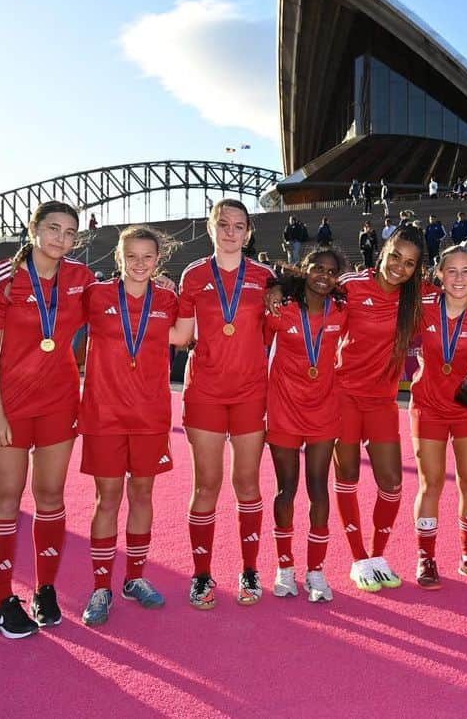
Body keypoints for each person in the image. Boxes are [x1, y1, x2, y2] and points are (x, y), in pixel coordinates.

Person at [269, 226, 427, 592]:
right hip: (343, 396)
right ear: (382, 251)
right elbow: (311, 284)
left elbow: (459, 295)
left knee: (391, 482)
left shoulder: (418, 299)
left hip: (383, 401)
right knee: (349, 477)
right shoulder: (352, 285)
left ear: (416, 269)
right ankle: (358, 558)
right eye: (394, 257)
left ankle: (376, 555)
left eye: (409, 264)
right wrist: (276, 288)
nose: (398, 268)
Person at [0, 201, 94, 638]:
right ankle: (0, 602)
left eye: (69, 232)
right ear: (33, 228)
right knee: (6, 499)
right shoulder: (1, 277)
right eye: (52, 228)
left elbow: (119, 309)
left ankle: (45, 589)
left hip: (59, 404)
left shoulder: (81, 279)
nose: (60, 238)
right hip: (7, 406)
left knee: (50, 496)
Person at [171, 199, 276, 609]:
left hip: (251, 392)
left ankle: (249, 570)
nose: (231, 232)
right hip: (206, 393)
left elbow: (277, 333)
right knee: (207, 485)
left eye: (239, 226)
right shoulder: (194, 275)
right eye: (223, 224)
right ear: (210, 227)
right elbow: (181, 335)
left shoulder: (266, 277)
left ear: (248, 232)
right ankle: (201, 575)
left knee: (247, 484)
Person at [77, 226, 179, 626]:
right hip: (104, 413)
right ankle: (101, 587)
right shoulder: (96, 296)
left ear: (158, 260)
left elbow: (187, 335)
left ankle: (134, 579)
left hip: (150, 415)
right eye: (131, 256)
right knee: (107, 499)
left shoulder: (169, 299)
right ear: (118, 259)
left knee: (142, 495)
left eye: (147, 257)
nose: (139, 264)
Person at [411, 246, 467, 589]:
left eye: (466, 271)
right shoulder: (423, 307)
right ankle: (425, 558)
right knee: (430, 484)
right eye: (452, 271)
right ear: (439, 274)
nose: (459, 278)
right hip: (428, 406)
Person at [264, 249, 349, 603]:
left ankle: (315, 571)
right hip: (283, 408)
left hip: (323, 410)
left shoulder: (342, 311)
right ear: (305, 270)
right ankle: (285, 568)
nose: (323, 276)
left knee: (318, 489)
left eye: (331, 272)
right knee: (286, 490)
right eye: (317, 269)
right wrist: (272, 286)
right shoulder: (280, 308)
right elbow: (254, 291)